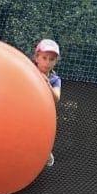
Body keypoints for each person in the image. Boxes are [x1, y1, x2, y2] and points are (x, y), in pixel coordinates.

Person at [33, 39, 61, 167]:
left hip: (43, 115)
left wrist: (47, 84)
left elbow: (56, 98)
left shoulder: (55, 79)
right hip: (24, 112)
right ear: (37, 57)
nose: (47, 62)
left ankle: (44, 151)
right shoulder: (28, 71)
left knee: (41, 136)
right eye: (44, 58)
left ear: (56, 61)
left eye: (51, 59)